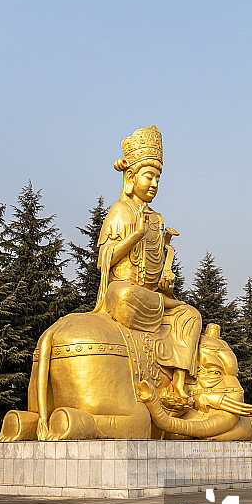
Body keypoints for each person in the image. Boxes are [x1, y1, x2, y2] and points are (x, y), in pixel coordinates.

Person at [93, 125, 202, 402]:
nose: (154, 184)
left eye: (158, 178)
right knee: (127, 294)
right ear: (131, 177)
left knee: (191, 315)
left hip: (152, 298)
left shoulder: (157, 219)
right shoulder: (120, 212)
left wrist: (167, 281)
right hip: (124, 294)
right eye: (149, 176)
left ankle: (177, 383)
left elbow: (154, 270)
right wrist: (135, 235)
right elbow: (104, 261)